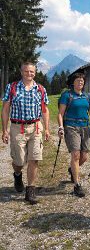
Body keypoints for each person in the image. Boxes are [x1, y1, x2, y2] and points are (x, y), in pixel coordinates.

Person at [1, 62, 50, 205]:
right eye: (27, 71)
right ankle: (17, 174)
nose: (29, 74)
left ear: (35, 73)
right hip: (17, 127)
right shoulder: (12, 87)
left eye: (32, 72)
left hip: (35, 127)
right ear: (21, 72)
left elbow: (45, 110)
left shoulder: (40, 89)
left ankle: (30, 190)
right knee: (19, 161)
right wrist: (5, 130)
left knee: (34, 158)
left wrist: (46, 128)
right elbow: (5, 110)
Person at [58, 72, 90, 197]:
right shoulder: (67, 95)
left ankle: (72, 169)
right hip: (71, 127)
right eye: (78, 80)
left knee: (84, 157)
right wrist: (61, 127)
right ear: (73, 82)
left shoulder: (87, 97)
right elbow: (60, 113)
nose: (80, 82)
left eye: (82, 80)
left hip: (85, 127)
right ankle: (77, 185)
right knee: (76, 155)